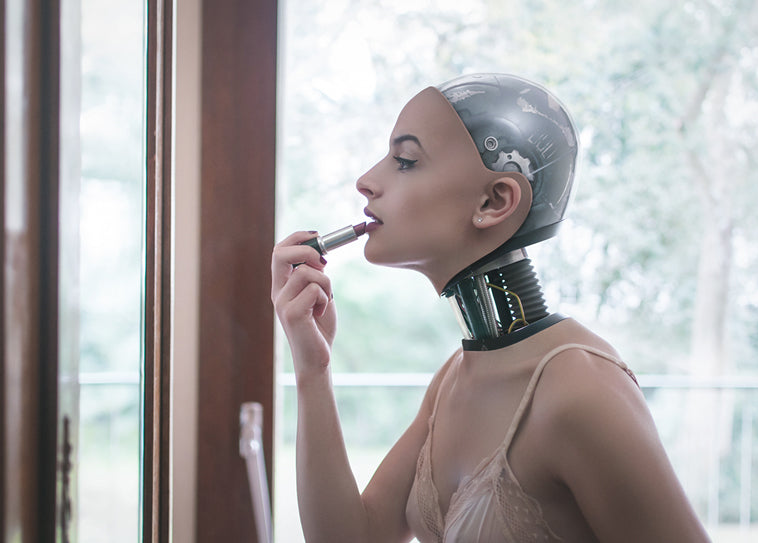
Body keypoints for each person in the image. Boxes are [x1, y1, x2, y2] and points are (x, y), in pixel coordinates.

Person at [271, 74, 709, 543]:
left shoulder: (581, 388)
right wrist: (312, 368)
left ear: (495, 201)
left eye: (405, 161)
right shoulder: (454, 377)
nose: (366, 181)